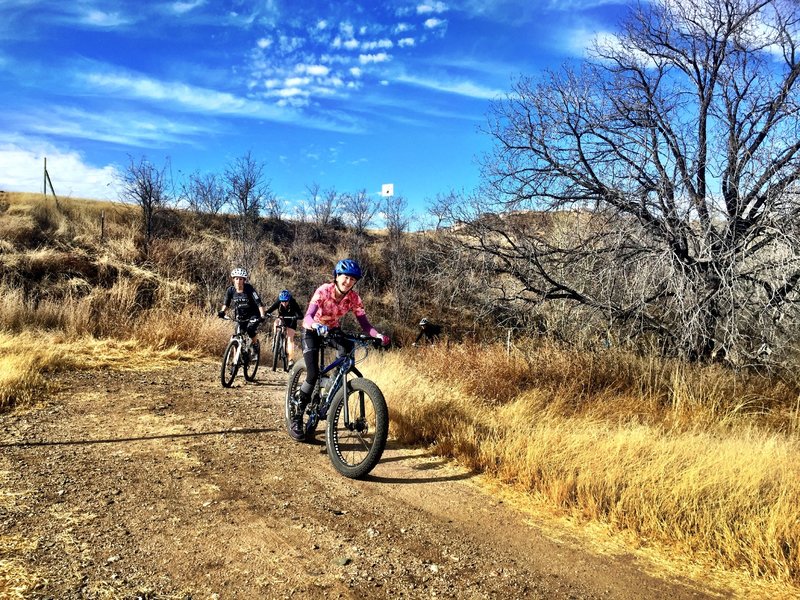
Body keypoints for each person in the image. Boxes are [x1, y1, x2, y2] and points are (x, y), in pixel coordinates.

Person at [290, 258, 390, 441]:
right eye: (345, 277)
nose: (348, 282)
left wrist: (377, 335)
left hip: (332, 330)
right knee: (312, 374)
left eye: (352, 279)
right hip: (312, 330)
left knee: (348, 350)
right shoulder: (323, 291)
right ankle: (297, 416)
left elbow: (366, 325)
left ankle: (331, 392)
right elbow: (307, 318)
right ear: (336, 276)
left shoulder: (354, 298)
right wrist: (315, 326)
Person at [217, 267, 267, 353]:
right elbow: (226, 303)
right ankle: (235, 360)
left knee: (250, 329)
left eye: (241, 279)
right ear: (233, 279)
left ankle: (255, 345)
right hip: (240, 315)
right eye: (236, 278)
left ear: (244, 280)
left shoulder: (249, 289)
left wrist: (262, 315)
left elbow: (259, 302)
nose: (238, 281)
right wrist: (222, 312)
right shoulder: (230, 290)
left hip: (253, 314)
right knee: (236, 337)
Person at [265, 289, 304, 367]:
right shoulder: (279, 302)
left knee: (290, 339)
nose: (284, 303)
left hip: (291, 320)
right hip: (282, 319)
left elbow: (300, 315)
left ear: (289, 300)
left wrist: (296, 317)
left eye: (286, 301)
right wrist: (266, 313)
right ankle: (276, 338)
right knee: (276, 322)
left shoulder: (293, 303)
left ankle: (290, 360)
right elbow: (270, 310)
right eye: (282, 301)